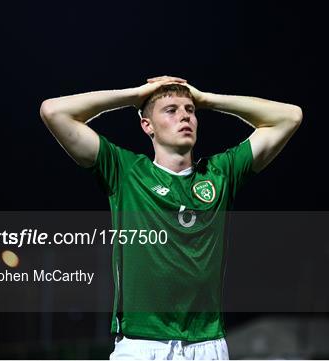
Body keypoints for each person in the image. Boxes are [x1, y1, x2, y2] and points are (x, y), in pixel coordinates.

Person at [39, 75, 303, 359]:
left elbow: (290, 116)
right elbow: (53, 111)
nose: (185, 116)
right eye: (171, 110)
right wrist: (136, 96)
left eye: (190, 110)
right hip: (141, 344)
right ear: (147, 125)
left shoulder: (221, 173)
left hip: (207, 344)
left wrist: (207, 99)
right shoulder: (125, 172)